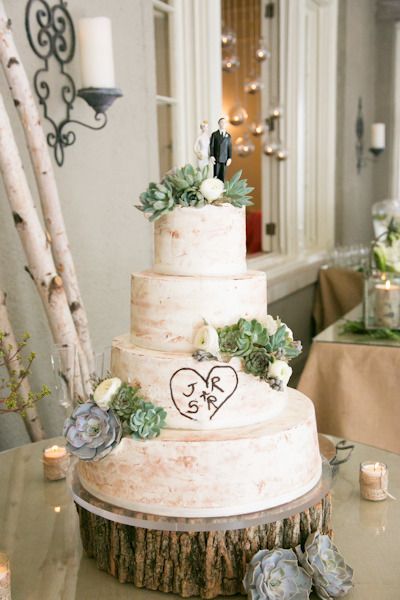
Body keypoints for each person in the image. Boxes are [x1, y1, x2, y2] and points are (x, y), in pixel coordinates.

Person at [209, 117, 232, 182]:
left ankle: (222, 188)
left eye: (224, 122)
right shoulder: (214, 134)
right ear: (219, 123)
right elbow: (212, 146)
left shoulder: (228, 136)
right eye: (221, 122)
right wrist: (211, 155)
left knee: (223, 176)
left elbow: (229, 147)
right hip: (217, 158)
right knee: (216, 174)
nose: (223, 124)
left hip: (224, 159)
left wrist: (230, 158)